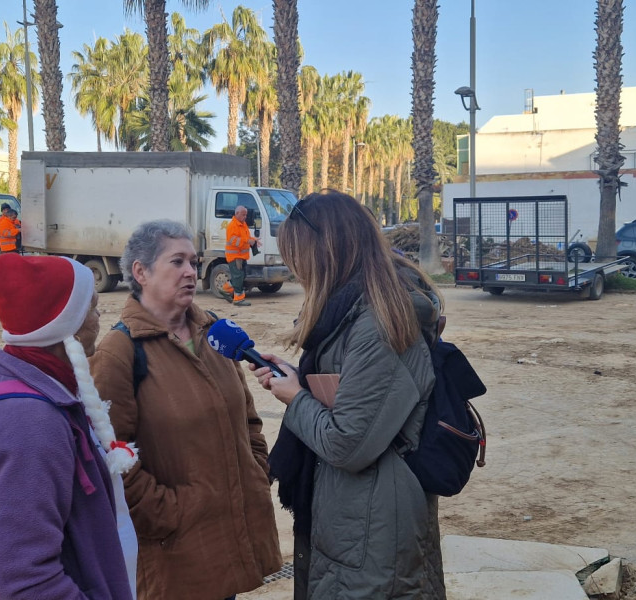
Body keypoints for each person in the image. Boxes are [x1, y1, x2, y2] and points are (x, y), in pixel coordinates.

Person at [250, 190, 446, 599]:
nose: (294, 267)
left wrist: (294, 398)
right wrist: (297, 380)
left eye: (296, 254)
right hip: (352, 517)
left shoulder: (379, 324)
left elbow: (348, 444)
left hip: (371, 528)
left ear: (325, 252)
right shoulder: (348, 311)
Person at [89, 219, 282, 600]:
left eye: (193, 262)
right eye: (177, 262)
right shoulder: (119, 353)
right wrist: (169, 513)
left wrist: (256, 470)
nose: (191, 272)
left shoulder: (214, 334)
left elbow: (248, 419)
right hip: (176, 551)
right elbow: (111, 456)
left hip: (231, 533)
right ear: (140, 272)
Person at [0, 253, 138, 599]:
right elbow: (23, 580)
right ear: (67, 326)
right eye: (92, 308)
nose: (100, 317)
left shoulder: (16, 378)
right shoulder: (29, 423)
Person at [222, 204, 258, 306]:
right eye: (243, 215)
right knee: (238, 277)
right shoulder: (232, 226)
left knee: (240, 276)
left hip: (241, 257)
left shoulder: (243, 224)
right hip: (235, 257)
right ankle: (238, 299)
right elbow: (234, 241)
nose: (245, 217)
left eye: (246, 215)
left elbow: (247, 237)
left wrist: (254, 240)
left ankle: (225, 289)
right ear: (237, 213)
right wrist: (248, 241)